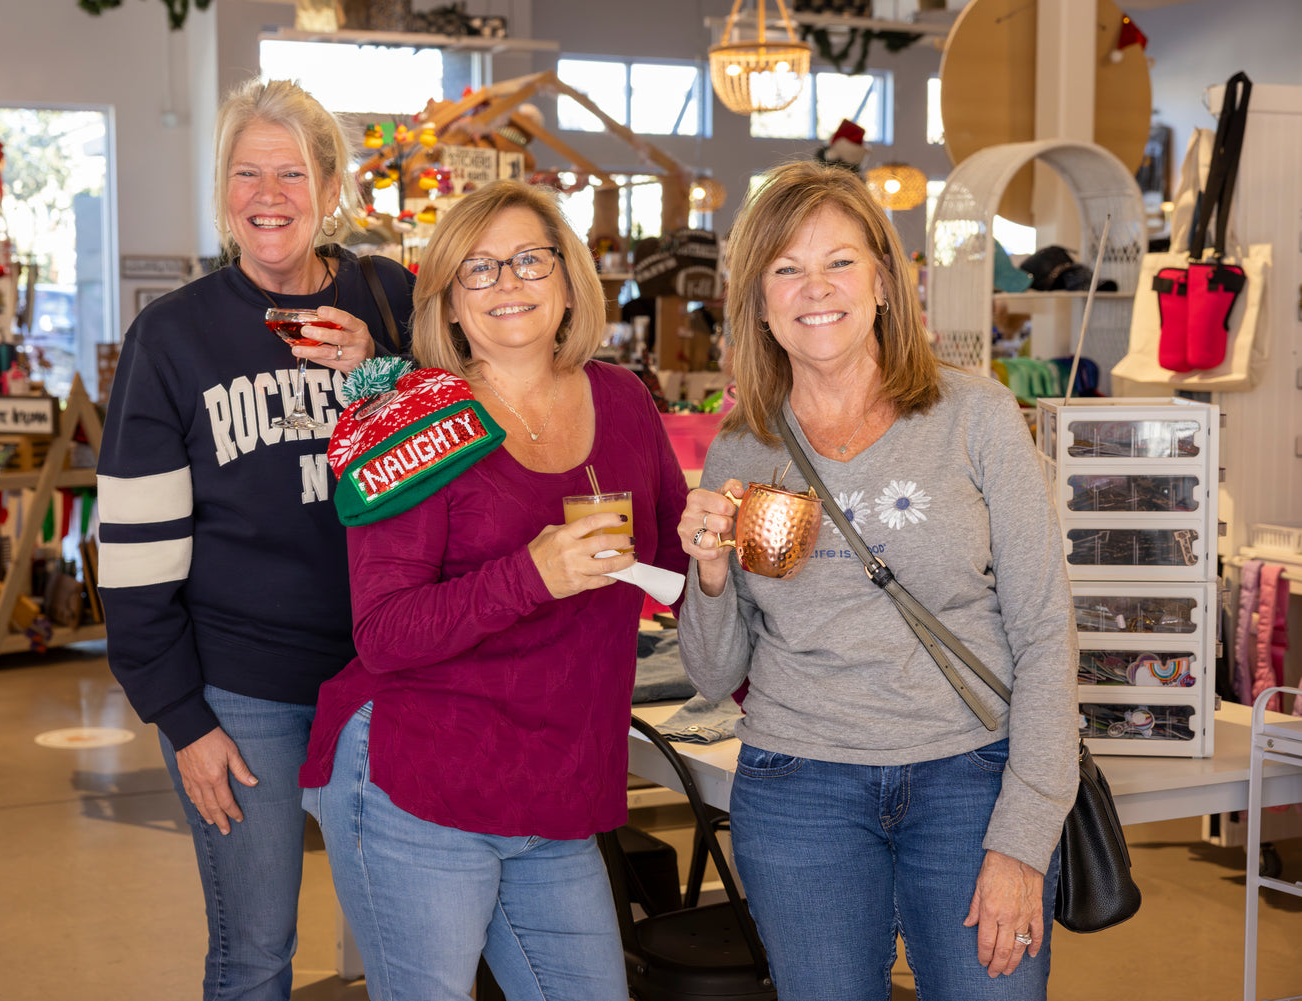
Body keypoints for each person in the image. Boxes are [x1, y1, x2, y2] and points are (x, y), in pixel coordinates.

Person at [676, 159, 1078, 1001]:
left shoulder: (975, 416)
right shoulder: (743, 446)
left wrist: (1023, 836)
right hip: (799, 787)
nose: (815, 288)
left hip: (971, 778)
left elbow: (1046, 631)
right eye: (786, 268)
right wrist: (708, 573)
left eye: (840, 261)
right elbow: (714, 675)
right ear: (759, 301)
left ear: (885, 282)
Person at [298, 179, 690, 1001]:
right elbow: (385, 631)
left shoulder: (623, 400)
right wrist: (531, 574)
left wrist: (721, 562)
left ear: (569, 278)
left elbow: (678, 569)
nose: (507, 282)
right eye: (477, 268)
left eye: (528, 260)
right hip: (418, 780)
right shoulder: (412, 418)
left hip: (557, 790)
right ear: (447, 300)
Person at [97, 76, 413, 1001]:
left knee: (418, 943)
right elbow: (134, 553)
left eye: (292, 172)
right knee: (255, 951)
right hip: (241, 693)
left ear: (331, 188)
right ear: (222, 188)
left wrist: (381, 371)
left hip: (390, 675)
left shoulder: (391, 299)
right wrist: (182, 717)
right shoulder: (172, 337)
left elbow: (471, 439)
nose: (268, 195)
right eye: (246, 172)